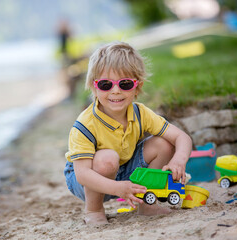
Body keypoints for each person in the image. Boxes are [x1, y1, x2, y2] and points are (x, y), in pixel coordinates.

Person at [64, 41, 192, 225]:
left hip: (124, 170)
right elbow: (82, 174)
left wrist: (178, 160)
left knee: (163, 143)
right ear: (94, 87)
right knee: (107, 158)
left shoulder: (140, 113)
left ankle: (147, 204)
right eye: (106, 84)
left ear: (137, 87)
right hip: (87, 180)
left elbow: (181, 137)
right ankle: (94, 210)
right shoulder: (85, 125)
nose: (115, 91)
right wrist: (117, 188)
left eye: (124, 84)